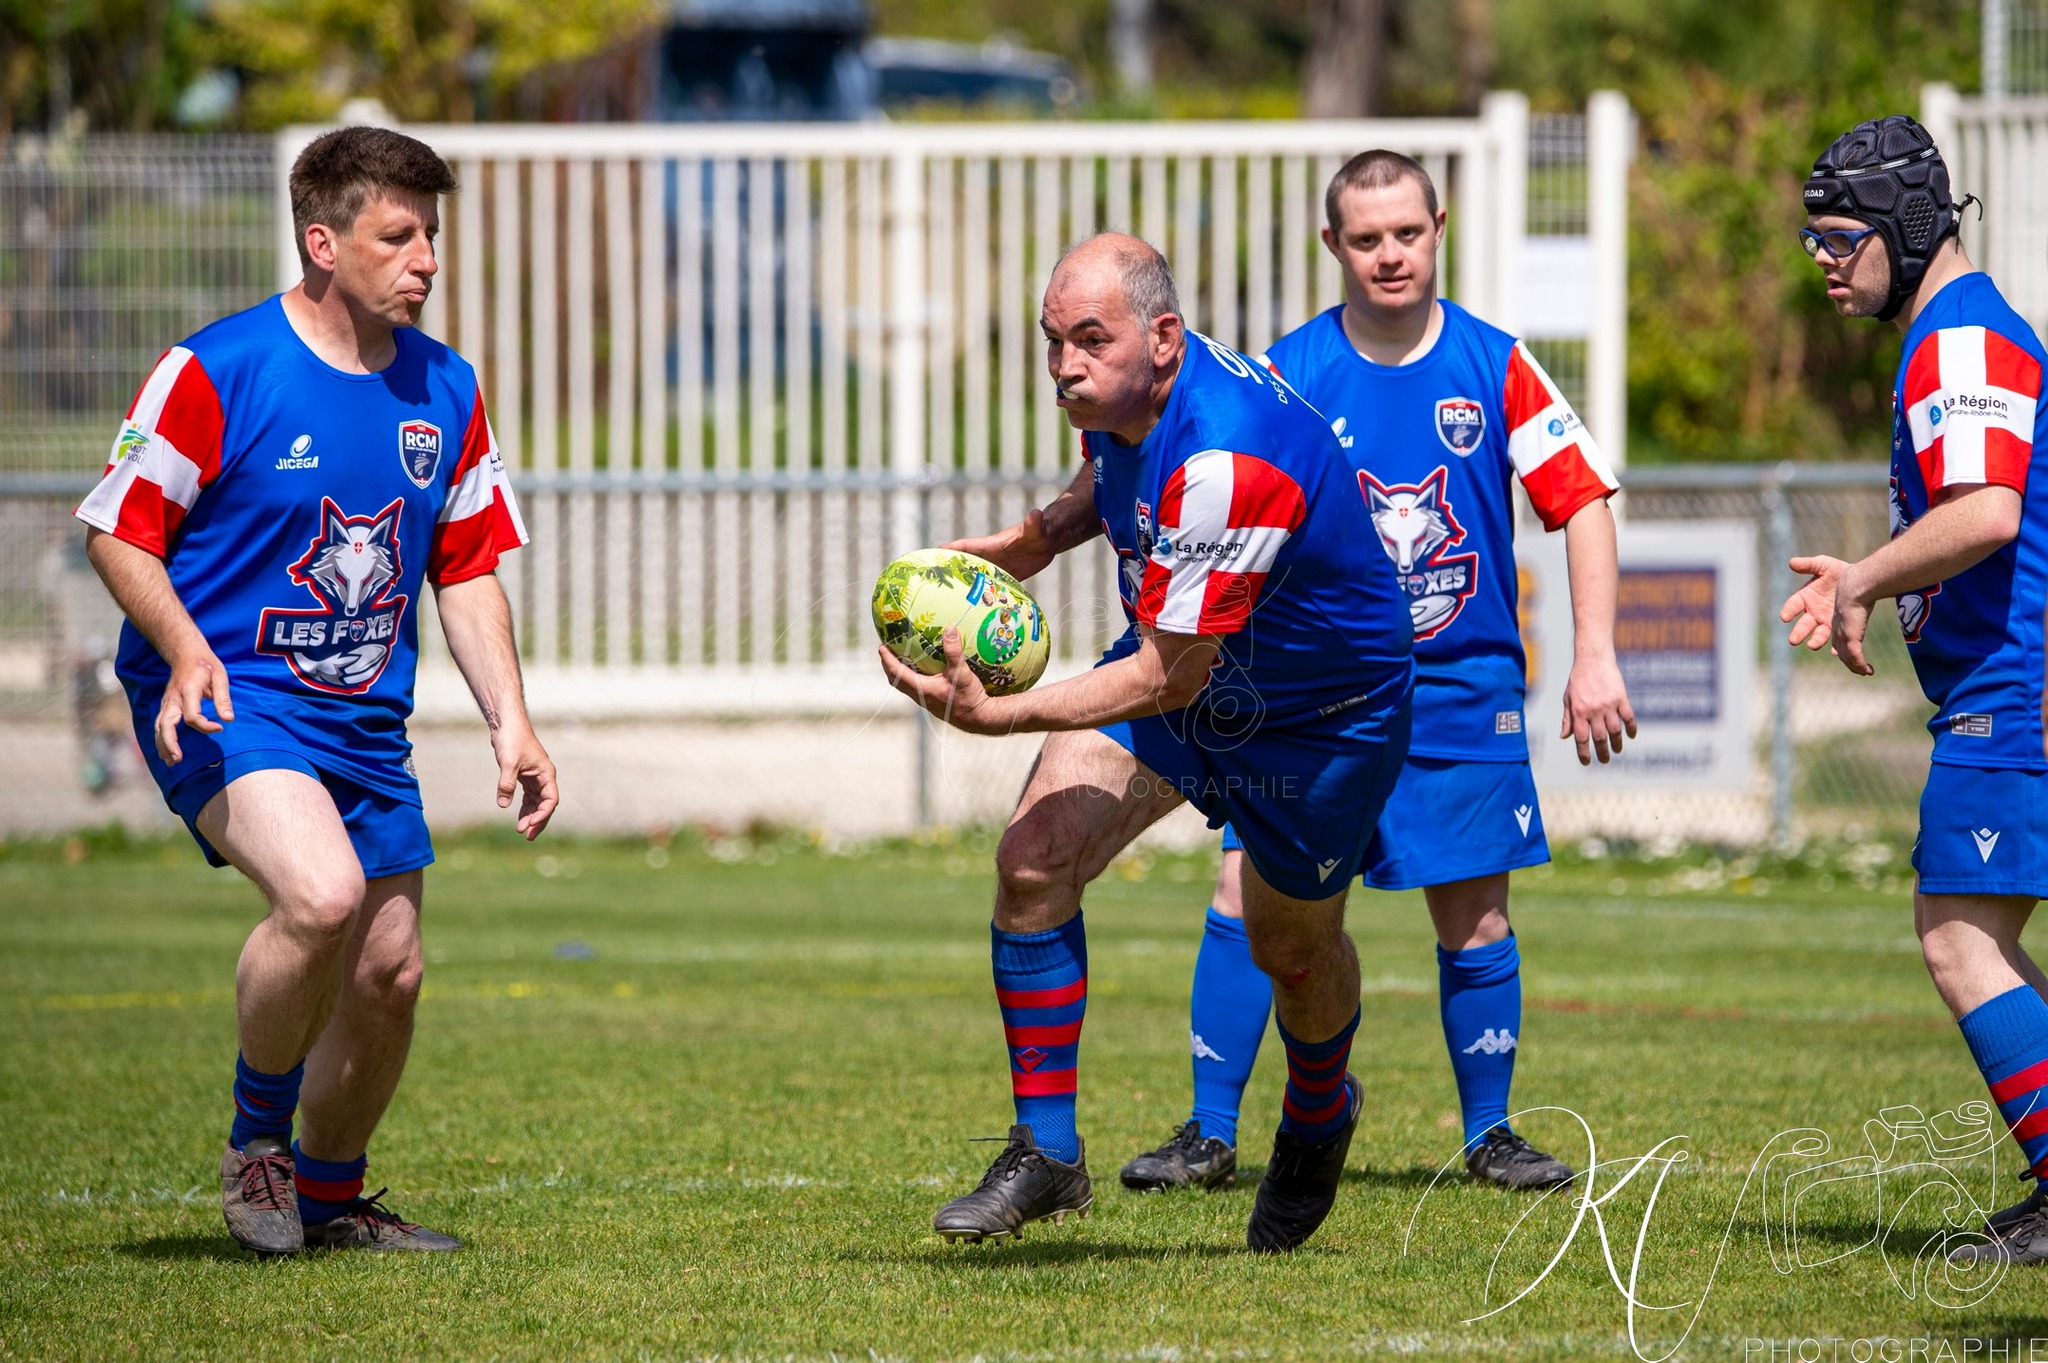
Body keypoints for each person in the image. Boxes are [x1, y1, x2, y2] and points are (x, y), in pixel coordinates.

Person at [878, 232, 1415, 1251]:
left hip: (1317, 717)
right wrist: (1026, 544)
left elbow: (1167, 675)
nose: (1064, 367)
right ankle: (1046, 1153)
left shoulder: (1226, 455)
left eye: (1088, 340)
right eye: (1051, 342)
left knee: (1288, 951)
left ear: (1162, 338)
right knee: (1031, 864)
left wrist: (1000, 715)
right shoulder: (1127, 391)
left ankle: (1314, 1112)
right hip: (1184, 657)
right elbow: (1112, 485)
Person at [75, 126, 557, 1256]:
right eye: (399, 235)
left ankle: (332, 1200)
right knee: (324, 897)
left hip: (361, 721)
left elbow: (468, 563)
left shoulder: (446, 386)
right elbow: (118, 535)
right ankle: (258, 1149)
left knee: (388, 972)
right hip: (226, 699)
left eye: (432, 234)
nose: (426, 258)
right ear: (323, 241)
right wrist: (187, 648)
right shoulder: (219, 368)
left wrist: (513, 722)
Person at [1118, 151, 1632, 1197]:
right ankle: (1207, 1132)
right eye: (1365, 238)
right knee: (1243, 890)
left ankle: (1488, 1133)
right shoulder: (1287, 373)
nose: (1388, 254)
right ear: (1332, 246)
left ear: (1437, 226)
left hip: (1458, 681)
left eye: (1406, 232)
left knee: (1471, 909)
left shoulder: (1496, 364)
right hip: (1307, 692)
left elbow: (1581, 499)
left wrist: (1595, 655)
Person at [1781, 114, 2048, 1266]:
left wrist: (1864, 577)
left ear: (1902, 224)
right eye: (1813, 242)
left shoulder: (1959, 337)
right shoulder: (1948, 335)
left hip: (2015, 684)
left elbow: (1986, 514)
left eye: (1840, 239)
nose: (1825, 262)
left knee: (1957, 937)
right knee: (1970, 931)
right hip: (2001, 682)